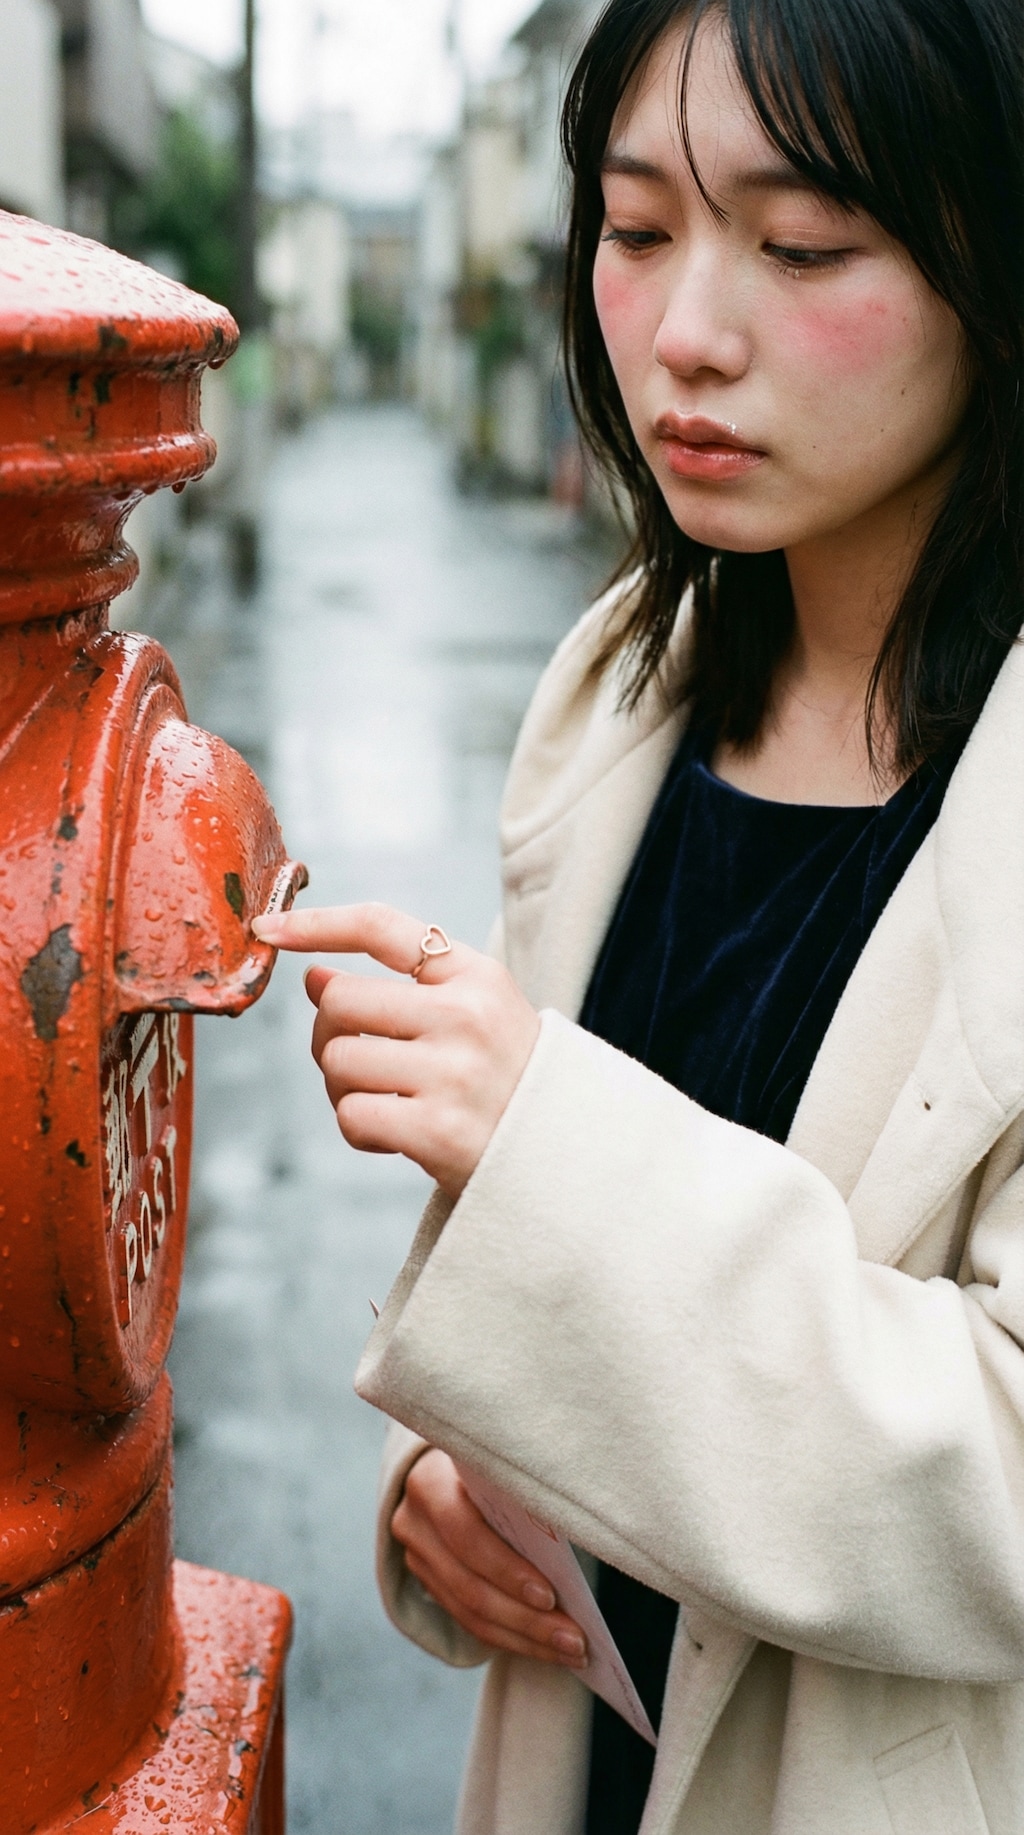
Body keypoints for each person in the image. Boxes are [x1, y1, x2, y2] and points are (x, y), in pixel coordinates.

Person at [252, 0, 1024, 1826]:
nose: (685, 333)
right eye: (637, 226)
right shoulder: (622, 686)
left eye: (803, 244)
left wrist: (543, 1152)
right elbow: (568, 1317)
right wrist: (449, 1482)